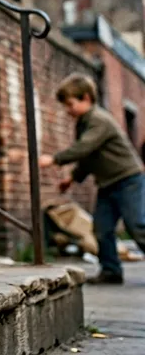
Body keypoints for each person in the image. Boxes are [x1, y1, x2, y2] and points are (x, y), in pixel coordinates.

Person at [39, 73, 145, 284]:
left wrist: (55, 159)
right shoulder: (84, 123)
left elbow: (84, 147)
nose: (68, 110)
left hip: (127, 179)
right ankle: (111, 270)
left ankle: (111, 268)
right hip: (107, 183)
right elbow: (88, 158)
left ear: (86, 98)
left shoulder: (98, 120)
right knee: (101, 228)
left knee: (137, 226)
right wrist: (73, 178)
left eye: (71, 104)